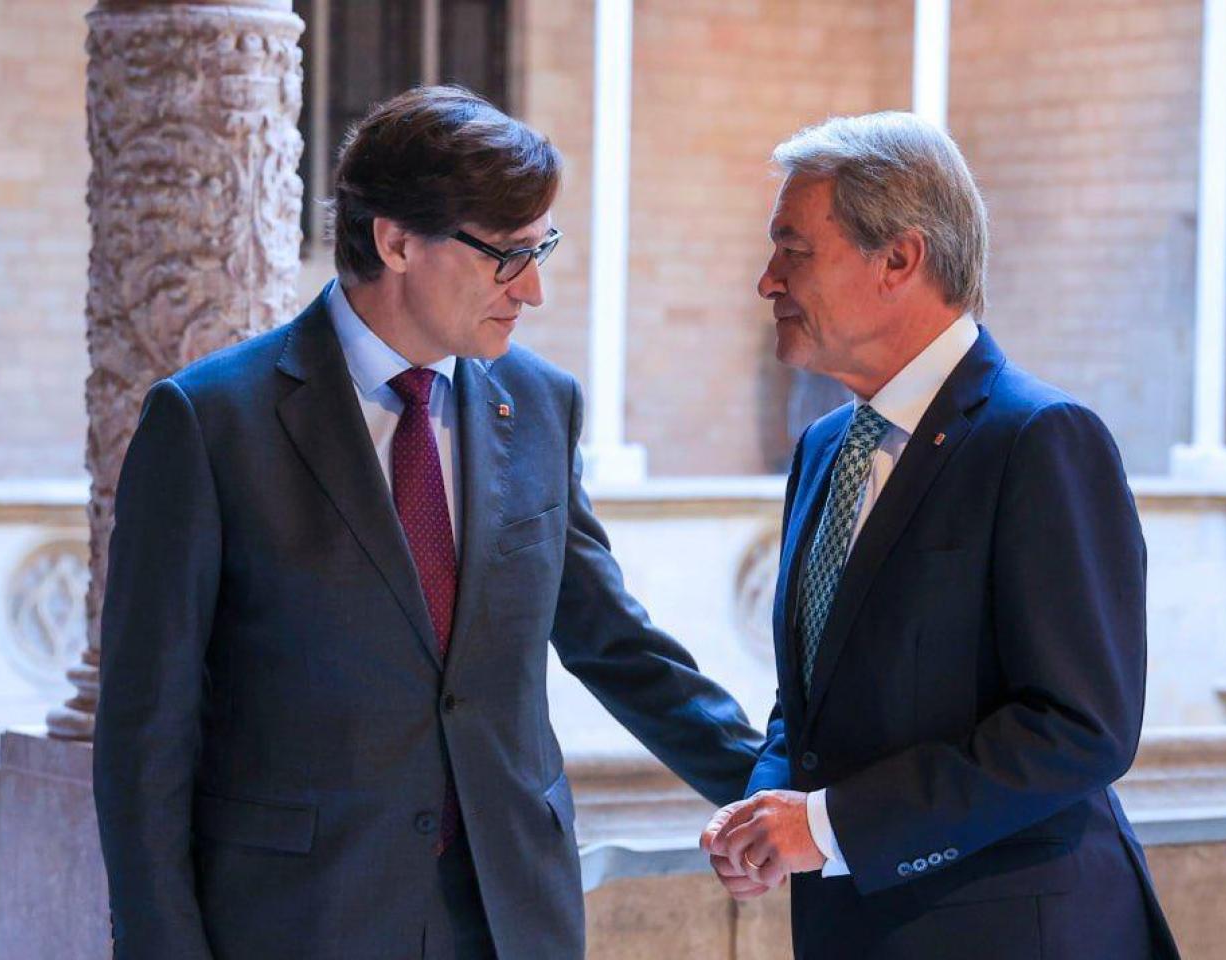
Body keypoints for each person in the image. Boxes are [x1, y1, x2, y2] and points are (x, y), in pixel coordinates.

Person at [94, 86, 762, 960]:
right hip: (301, 921)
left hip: (510, 916)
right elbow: (146, 738)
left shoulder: (542, 403)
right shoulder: (211, 423)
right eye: (507, 256)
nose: (534, 291)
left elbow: (613, 642)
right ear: (397, 241)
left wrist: (775, 793)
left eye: (542, 249)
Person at [702, 111, 1179, 959]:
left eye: (793, 250)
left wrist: (827, 824)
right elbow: (812, 697)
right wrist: (769, 806)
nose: (766, 281)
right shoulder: (823, 449)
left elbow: (1081, 730)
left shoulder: (1040, 438)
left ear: (900, 259)